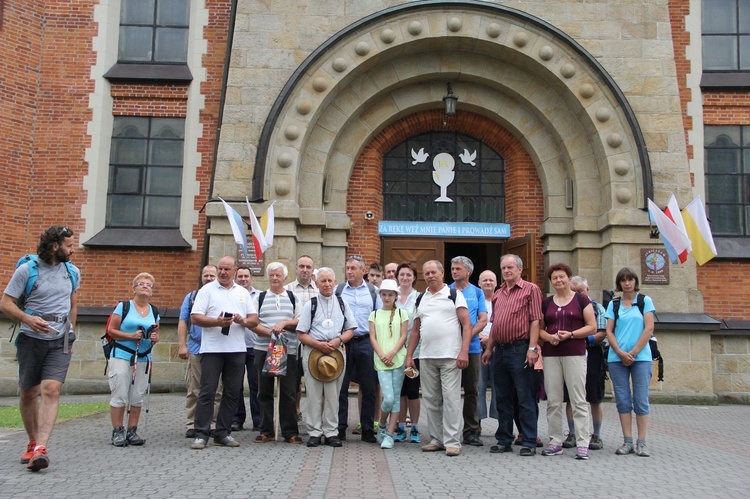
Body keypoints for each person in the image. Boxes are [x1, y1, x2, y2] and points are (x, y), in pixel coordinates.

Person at [1, 226, 80, 471]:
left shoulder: (72, 271)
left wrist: (72, 334)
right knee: (28, 393)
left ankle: (41, 448)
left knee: (51, 389)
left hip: (60, 340)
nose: (72, 249)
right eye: (68, 245)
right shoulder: (27, 270)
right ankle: (32, 441)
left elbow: (73, 305)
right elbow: (6, 303)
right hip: (30, 339)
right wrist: (28, 319)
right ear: (55, 246)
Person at [189, 256, 259, 450]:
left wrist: (242, 320)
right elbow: (195, 318)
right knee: (207, 391)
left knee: (232, 392)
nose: (222, 272)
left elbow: (254, 319)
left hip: (236, 349)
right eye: (220, 268)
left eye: (226, 269)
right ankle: (201, 434)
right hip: (212, 350)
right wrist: (217, 322)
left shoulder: (242, 292)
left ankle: (223, 432)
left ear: (234, 271)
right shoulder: (207, 290)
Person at [406, 260, 472, 457]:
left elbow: (467, 325)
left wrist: (464, 352)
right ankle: (436, 439)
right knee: (431, 400)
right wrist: (410, 355)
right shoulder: (421, 299)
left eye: (433, 272)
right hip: (426, 356)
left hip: (450, 355)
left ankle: (452, 442)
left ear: (442, 273)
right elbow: (416, 331)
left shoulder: (453, 294)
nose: (430, 276)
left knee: (451, 399)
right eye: (426, 273)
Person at [481, 254, 541, 457]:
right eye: (504, 268)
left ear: (519, 269)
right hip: (500, 351)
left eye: (510, 267)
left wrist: (533, 348)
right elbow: (496, 324)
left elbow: (535, 320)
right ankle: (504, 439)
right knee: (502, 398)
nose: (506, 271)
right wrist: (489, 349)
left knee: (524, 397)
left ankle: (529, 440)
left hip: (520, 349)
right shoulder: (498, 294)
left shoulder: (531, 289)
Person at [538, 263, 596, 460]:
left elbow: (592, 327)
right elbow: (539, 329)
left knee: (578, 399)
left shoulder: (581, 299)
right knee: (553, 401)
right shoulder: (546, 303)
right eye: (555, 278)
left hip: (575, 353)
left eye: (562, 276)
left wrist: (570, 334)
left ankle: (582, 443)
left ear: (569, 278)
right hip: (551, 355)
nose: (559, 280)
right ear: (551, 282)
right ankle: (555, 441)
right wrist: (549, 337)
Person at [296, 267, 356, 447]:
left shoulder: (342, 303)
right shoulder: (310, 304)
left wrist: (338, 340)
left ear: (335, 282)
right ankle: (314, 432)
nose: (327, 284)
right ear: (317, 282)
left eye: (330, 280)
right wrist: (318, 344)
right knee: (314, 395)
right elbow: (301, 333)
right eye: (323, 281)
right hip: (314, 351)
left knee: (332, 395)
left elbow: (351, 329)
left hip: (336, 353)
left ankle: (331, 432)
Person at [106, 273, 161, 447]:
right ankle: (118, 431)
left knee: (137, 395)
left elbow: (157, 333)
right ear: (134, 288)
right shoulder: (123, 307)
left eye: (149, 285)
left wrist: (154, 337)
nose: (145, 287)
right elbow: (111, 330)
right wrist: (130, 335)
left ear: (152, 292)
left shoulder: (154, 311)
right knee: (120, 393)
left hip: (144, 357)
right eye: (141, 284)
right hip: (122, 355)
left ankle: (132, 430)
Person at [605, 267, 655, 458]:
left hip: (641, 358)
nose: (627, 283)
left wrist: (632, 353)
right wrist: (619, 351)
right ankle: (627, 441)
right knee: (623, 400)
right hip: (617, 358)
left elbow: (649, 328)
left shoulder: (644, 301)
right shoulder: (614, 304)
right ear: (619, 283)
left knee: (641, 400)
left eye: (630, 279)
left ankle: (642, 442)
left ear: (635, 281)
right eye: (623, 280)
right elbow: (609, 330)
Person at [250, 262, 301, 443]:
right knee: (264, 391)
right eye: (271, 275)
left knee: (288, 391)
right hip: (263, 349)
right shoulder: (260, 297)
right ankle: (266, 430)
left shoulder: (293, 297)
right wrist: (271, 333)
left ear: (284, 277)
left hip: (288, 350)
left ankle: (290, 431)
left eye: (278, 275)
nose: (274, 278)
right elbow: (252, 323)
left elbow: (300, 321)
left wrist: (285, 324)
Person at [336, 256, 382, 443]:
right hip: (343, 343)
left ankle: (368, 429)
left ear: (363, 271)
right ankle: (340, 428)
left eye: (353, 268)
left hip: (365, 342)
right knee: (341, 386)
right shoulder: (338, 290)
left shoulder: (373, 292)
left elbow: (379, 319)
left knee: (369, 387)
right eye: (347, 268)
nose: (349, 271)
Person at [177, 265, 223, 439]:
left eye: (212, 275)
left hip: (217, 349)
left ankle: (211, 423)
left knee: (216, 389)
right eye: (206, 275)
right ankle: (192, 423)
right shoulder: (191, 298)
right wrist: (182, 345)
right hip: (197, 347)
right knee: (194, 388)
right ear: (201, 277)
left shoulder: (220, 295)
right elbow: (183, 322)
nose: (209, 278)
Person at [565, 275, 608, 450]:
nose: (577, 294)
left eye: (580, 291)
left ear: (587, 290)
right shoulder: (566, 306)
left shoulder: (597, 307)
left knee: (594, 397)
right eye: (574, 291)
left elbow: (602, 331)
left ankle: (596, 435)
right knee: (570, 396)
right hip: (571, 354)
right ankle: (573, 433)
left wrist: (583, 339)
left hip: (592, 355)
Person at [449, 256, 487, 447]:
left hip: (472, 348)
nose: (454, 271)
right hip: (449, 348)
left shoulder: (477, 292)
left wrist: (468, 335)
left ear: (468, 272)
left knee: (472, 389)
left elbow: (483, 319)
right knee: (449, 391)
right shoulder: (446, 290)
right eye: (453, 268)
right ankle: (449, 429)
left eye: (458, 269)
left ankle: (472, 430)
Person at [369, 279, 408, 449]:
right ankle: (382, 425)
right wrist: (382, 354)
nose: (386, 298)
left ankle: (390, 435)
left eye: (390, 295)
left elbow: (403, 336)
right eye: (384, 294)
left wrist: (392, 353)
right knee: (388, 398)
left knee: (396, 399)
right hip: (381, 361)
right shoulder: (374, 315)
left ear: (395, 296)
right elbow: (372, 337)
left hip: (397, 359)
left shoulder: (402, 314)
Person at [286, 255, 317, 422]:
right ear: (296, 268)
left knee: (314, 379)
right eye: (302, 266)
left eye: (308, 267)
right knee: (294, 380)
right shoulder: (287, 290)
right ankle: (295, 411)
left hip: (314, 342)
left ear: (312, 270)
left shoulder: (319, 290)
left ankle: (314, 413)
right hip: (294, 342)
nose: (305, 270)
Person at [393, 262, 422, 443]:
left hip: (414, 351)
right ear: (397, 277)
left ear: (414, 278)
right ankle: (401, 427)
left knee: (412, 390)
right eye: (402, 274)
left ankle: (416, 428)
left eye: (408, 275)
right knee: (399, 391)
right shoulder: (391, 297)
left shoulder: (419, 298)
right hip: (394, 352)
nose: (405, 278)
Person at [232, 266, 261, 432]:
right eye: (240, 276)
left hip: (254, 346)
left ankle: (258, 419)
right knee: (236, 385)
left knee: (255, 384)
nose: (243, 279)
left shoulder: (259, 296)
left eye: (246, 276)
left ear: (251, 278)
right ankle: (237, 418)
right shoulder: (232, 294)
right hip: (235, 346)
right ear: (236, 278)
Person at [477, 270, 498, 426]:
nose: (488, 282)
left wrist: (492, 340)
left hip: (498, 347)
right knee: (478, 385)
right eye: (485, 280)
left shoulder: (501, 300)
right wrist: (481, 338)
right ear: (479, 283)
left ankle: (501, 424)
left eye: (491, 280)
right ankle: (476, 423)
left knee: (500, 387)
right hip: (478, 346)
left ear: (496, 283)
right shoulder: (476, 301)